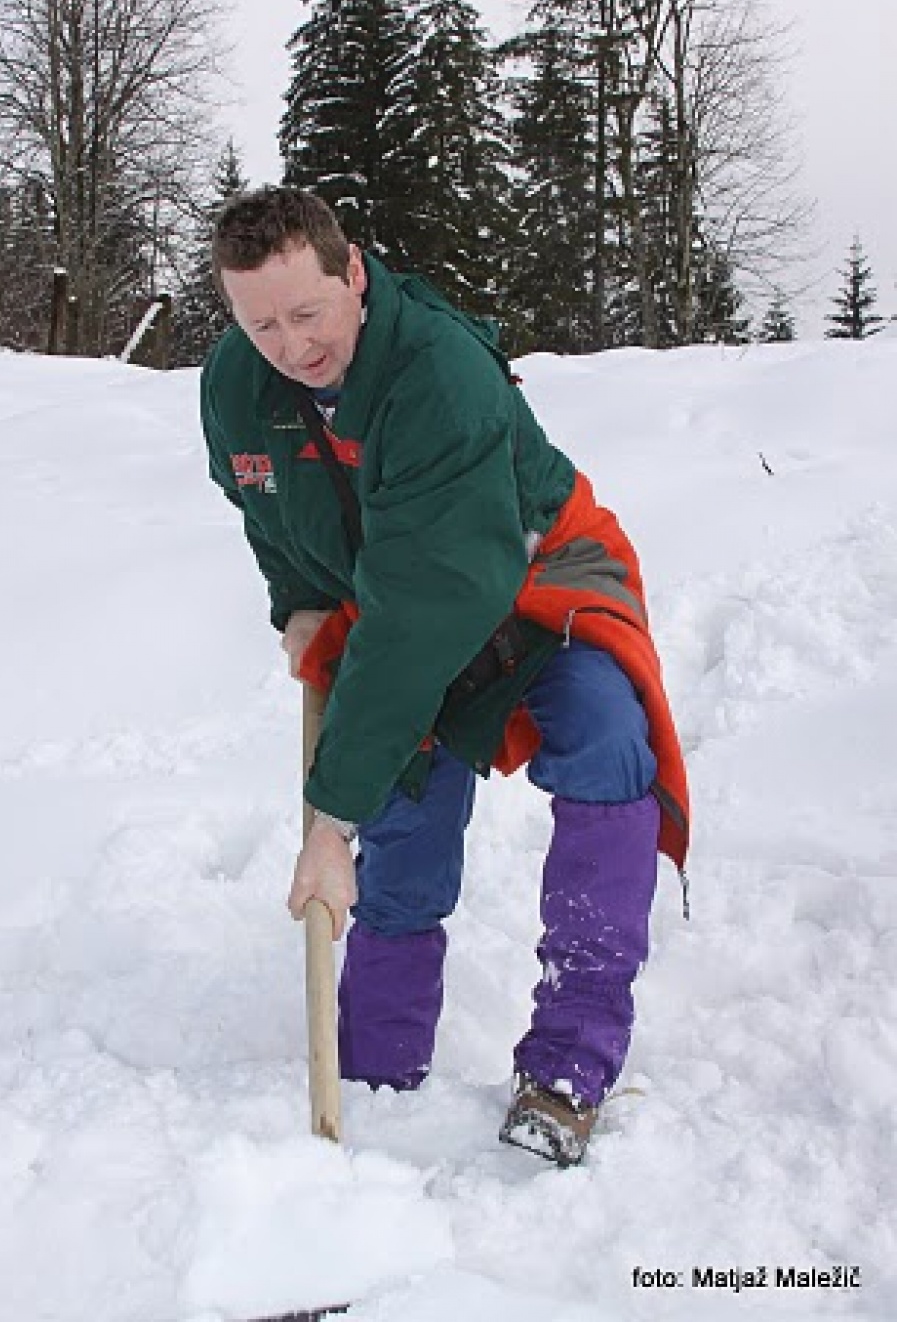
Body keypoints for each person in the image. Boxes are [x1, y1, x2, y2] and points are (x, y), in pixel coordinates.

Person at [201, 185, 690, 1167]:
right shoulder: (234, 388)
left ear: (353, 273)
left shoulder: (436, 375)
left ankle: (570, 1062)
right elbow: (280, 528)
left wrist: (326, 819)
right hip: (398, 598)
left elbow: (425, 610)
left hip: (536, 579)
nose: (290, 346)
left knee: (601, 740)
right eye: (260, 324)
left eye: (307, 313)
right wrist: (305, 621)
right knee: (406, 807)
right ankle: (377, 1065)